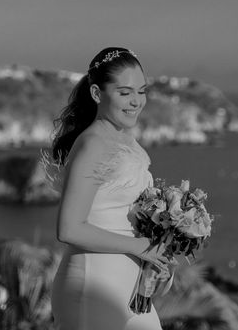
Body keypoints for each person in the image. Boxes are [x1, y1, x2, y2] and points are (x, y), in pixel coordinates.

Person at [50, 47, 173, 330]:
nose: (136, 102)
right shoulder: (94, 144)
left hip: (133, 294)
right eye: (125, 92)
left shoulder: (127, 141)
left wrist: (158, 254)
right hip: (92, 289)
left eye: (141, 91)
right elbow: (69, 229)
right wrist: (141, 247)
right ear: (96, 94)